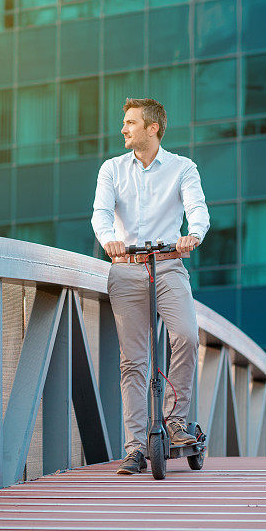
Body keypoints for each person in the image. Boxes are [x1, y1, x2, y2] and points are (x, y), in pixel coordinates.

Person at [91, 97, 210, 475]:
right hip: (126, 269)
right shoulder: (111, 169)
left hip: (169, 265)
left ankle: (175, 423)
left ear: (152, 128)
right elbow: (101, 212)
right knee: (134, 362)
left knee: (187, 336)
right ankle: (134, 448)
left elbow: (198, 209)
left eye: (130, 122)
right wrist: (108, 238)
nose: (123, 128)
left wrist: (194, 234)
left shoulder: (182, 168)